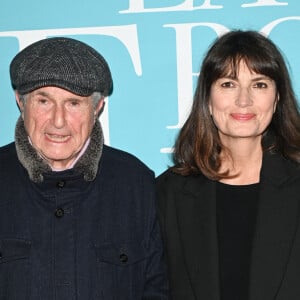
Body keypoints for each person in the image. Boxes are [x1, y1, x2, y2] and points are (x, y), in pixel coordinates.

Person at [0, 37, 168, 299]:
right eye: (44, 101)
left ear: (97, 107)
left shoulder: (136, 185)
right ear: (21, 102)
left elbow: (158, 290)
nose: (58, 121)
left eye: (74, 103)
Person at [156, 30, 300, 300]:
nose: (243, 100)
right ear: (208, 99)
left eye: (259, 84)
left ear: (277, 97)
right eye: (228, 84)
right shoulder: (168, 194)